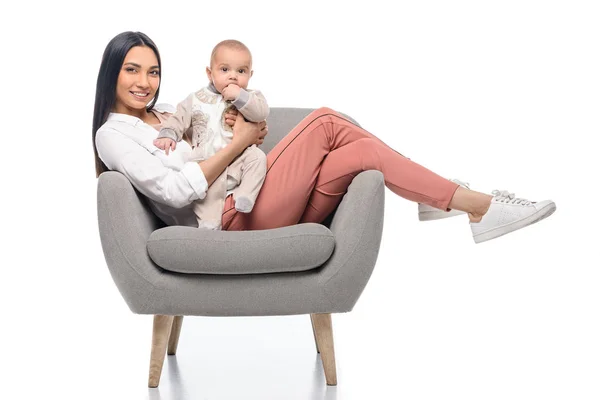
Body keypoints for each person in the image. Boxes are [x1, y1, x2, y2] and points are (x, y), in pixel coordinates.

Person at [93, 31, 556, 244]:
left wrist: (246, 130)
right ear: (112, 73)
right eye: (132, 70)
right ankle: (474, 204)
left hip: (254, 198)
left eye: (152, 71)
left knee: (364, 152)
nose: (145, 82)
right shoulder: (113, 136)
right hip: (226, 216)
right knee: (328, 120)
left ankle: (451, 200)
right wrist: (240, 143)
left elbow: (222, 130)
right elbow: (174, 190)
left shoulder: (172, 112)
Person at [152, 39, 269, 230]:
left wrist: (240, 97)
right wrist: (168, 134)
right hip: (208, 161)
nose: (233, 77)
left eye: (241, 71)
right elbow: (179, 118)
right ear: (210, 73)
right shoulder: (196, 99)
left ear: (250, 74)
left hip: (240, 158)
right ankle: (209, 225)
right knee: (208, 196)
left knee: (258, 158)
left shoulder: (251, 96)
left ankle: (245, 196)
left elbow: (261, 113)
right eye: (225, 70)